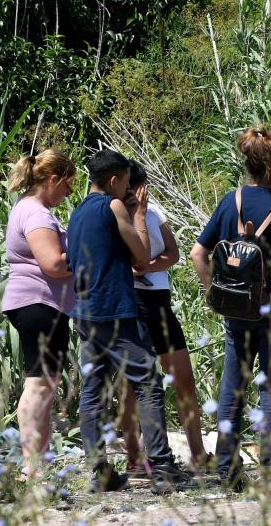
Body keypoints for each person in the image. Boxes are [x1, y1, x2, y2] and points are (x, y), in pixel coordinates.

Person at [190, 126, 271, 489]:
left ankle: (228, 471)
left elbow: (197, 254)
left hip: (237, 312)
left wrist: (214, 293)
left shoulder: (230, 201)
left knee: (232, 389)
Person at [67, 149, 192, 493]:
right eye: (124, 181)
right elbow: (141, 255)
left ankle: (98, 471)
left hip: (85, 313)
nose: (127, 187)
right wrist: (138, 213)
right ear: (113, 180)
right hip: (116, 310)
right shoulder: (113, 205)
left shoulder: (76, 213)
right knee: (149, 383)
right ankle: (163, 468)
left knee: (92, 395)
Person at [118, 161, 210, 474]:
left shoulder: (153, 212)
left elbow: (173, 252)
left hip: (159, 300)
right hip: (133, 302)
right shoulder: (115, 214)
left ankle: (198, 452)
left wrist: (149, 265)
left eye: (139, 191)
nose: (135, 198)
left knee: (183, 376)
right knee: (134, 384)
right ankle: (134, 454)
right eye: (130, 192)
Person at [1, 148, 77, 480]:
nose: (69, 193)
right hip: (38, 303)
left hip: (44, 305)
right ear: (52, 179)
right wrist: (87, 254)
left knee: (45, 384)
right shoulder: (36, 214)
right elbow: (54, 264)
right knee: (38, 385)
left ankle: (38, 463)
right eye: (67, 185)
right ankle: (31, 466)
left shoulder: (32, 209)